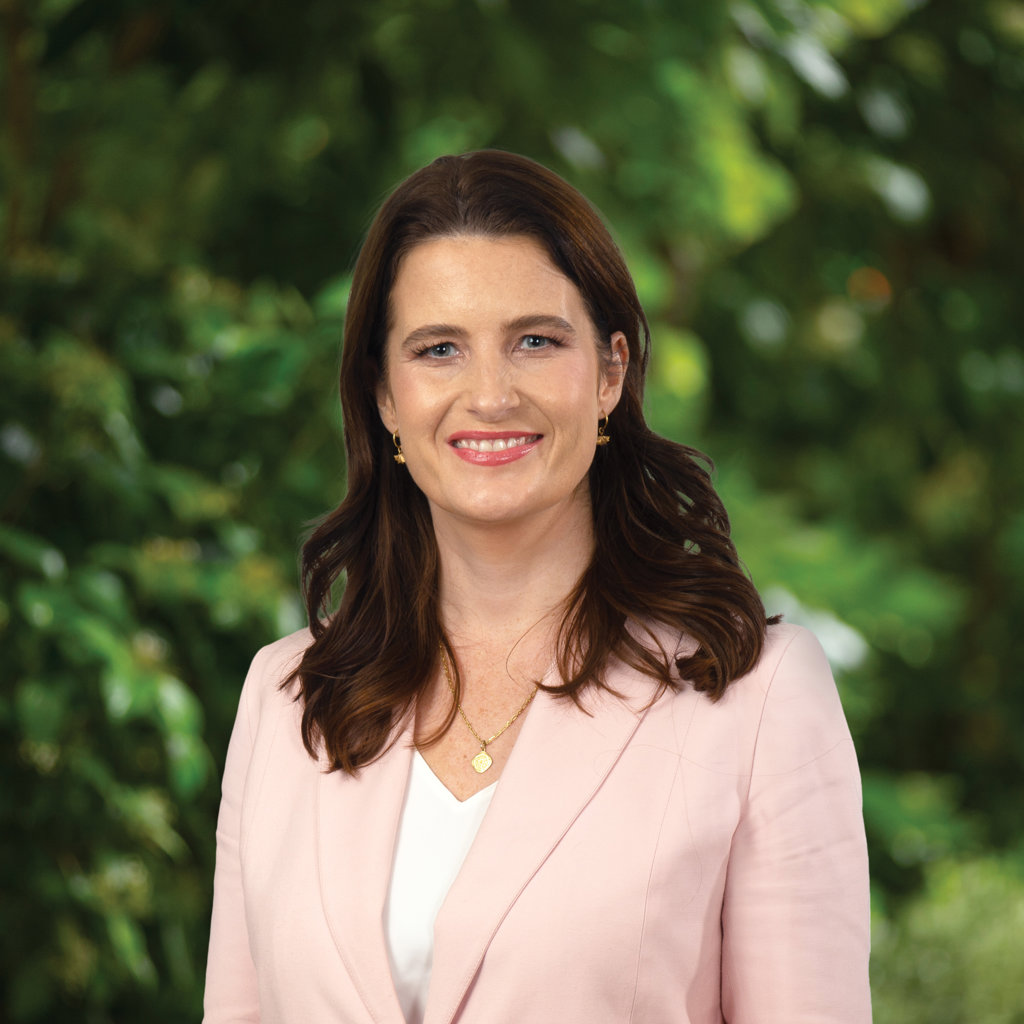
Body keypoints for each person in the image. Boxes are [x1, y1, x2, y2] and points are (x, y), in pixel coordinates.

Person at [203, 150, 871, 1023]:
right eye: (439, 349)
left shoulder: (757, 697)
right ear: (385, 397)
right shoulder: (286, 697)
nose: (489, 395)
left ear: (610, 373)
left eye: (535, 342)